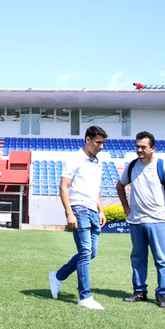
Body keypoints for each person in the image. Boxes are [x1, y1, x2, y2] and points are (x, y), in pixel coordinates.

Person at [116, 131, 165, 309]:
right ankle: (139, 292)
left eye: (144, 147)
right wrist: (125, 206)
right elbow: (120, 185)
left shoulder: (162, 166)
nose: (140, 150)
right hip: (136, 221)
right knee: (138, 258)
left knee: (161, 259)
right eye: (138, 146)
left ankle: (162, 294)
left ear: (153, 148)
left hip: (157, 220)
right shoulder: (132, 166)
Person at [49, 125, 108, 310]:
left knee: (92, 253)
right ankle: (85, 296)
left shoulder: (97, 162)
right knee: (84, 252)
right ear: (88, 140)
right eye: (98, 142)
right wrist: (69, 212)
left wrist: (101, 210)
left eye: (103, 143)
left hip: (92, 210)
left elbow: (96, 189)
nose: (101, 146)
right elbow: (63, 187)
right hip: (79, 209)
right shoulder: (75, 159)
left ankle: (58, 276)